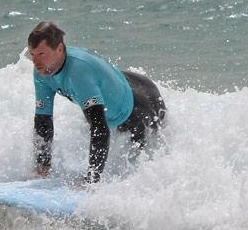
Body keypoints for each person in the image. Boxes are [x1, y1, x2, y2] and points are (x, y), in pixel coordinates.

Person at [27, 21, 166, 184]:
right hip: (120, 85)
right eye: (32, 55)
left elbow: (99, 127)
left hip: (142, 105)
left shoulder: (78, 72)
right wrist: (42, 168)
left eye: (42, 54)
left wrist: (92, 179)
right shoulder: (42, 73)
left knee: (144, 164)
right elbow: (43, 121)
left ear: (59, 49)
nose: (36, 62)